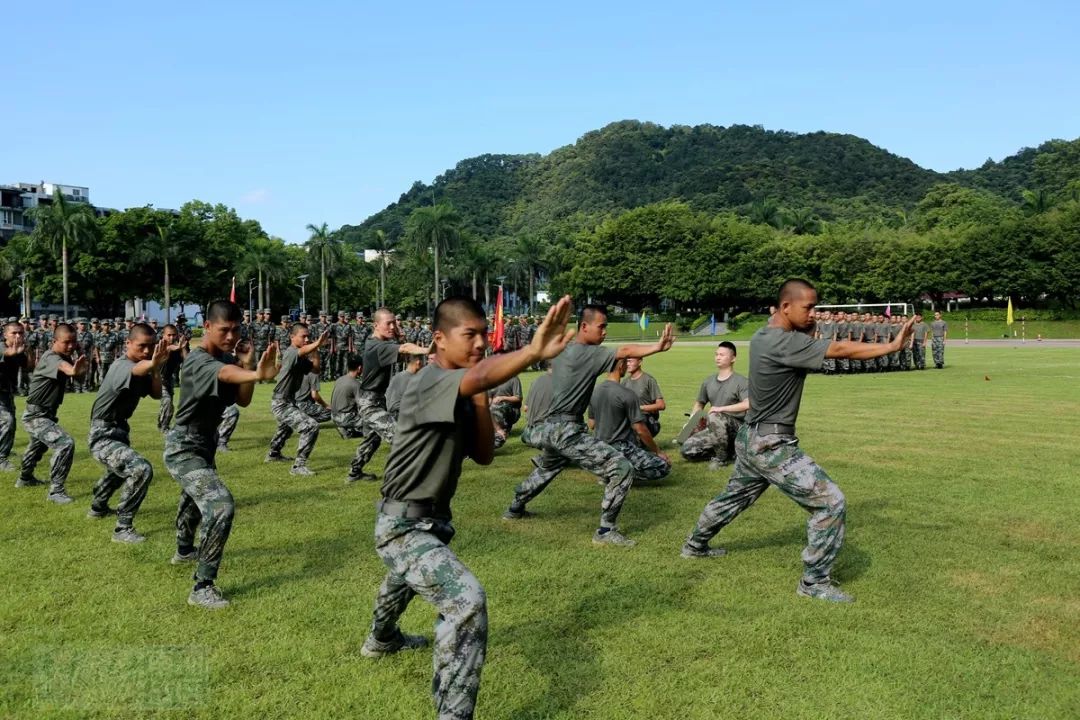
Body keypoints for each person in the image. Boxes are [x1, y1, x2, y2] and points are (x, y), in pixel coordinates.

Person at [359, 295, 574, 720]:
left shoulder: (461, 385)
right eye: (469, 334)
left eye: (483, 334)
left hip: (433, 520)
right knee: (465, 600)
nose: (480, 343)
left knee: (402, 580)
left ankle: (381, 640)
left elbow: (483, 453)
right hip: (403, 524)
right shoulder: (425, 381)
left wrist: (479, 389)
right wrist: (530, 351)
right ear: (438, 339)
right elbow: (475, 378)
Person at [681, 279, 914, 604]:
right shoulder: (785, 343)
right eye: (808, 308)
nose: (813, 313)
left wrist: (806, 322)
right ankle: (813, 583)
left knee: (733, 497)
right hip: (771, 444)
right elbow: (840, 349)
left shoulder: (764, 335)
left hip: (750, 436)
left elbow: (805, 333)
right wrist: (891, 346)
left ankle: (694, 545)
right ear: (786, 308)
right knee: (830, 503)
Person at [503, 305, 675, 546]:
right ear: (584, 327)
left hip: (547, 428)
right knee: (621, 468)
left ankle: (514, 508)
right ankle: (605, 532)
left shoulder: (565, 350)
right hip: (566, 430)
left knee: (546, 469)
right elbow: (624, 351)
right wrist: (657, 346)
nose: (605, 332)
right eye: (601, 326)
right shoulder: (589, 353)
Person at [165, 300, 277, 609]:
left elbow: (241, 401)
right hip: (184, 447)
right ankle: (202, 586)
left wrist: (248, 364)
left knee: (193, 501)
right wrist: (254, 374)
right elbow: (225, 374)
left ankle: (184, 550)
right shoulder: (198, 361)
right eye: (224, 330)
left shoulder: (228, 358)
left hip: (205, 444)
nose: (230, 336)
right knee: (220, 506)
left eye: (236, 330)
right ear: (208, 328)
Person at [87, 323, 170, 543]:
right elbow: (136, 370)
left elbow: (156, 393)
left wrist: (156, 368)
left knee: (117, 471)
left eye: (151, 346)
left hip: (119, 430)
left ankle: (98, 507)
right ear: (128, 343)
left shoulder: (144, 365)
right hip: (102, 433)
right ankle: (122, 529)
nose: (147, 351)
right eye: (142, 346)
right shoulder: (122, 365)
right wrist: (152, 363)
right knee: (140, 469)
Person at [350, 308, 428, 481]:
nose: (393, 326)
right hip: (369, 403)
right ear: (376, 325)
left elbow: (404, 352)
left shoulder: (381, 344)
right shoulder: (378, 346)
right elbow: (407, 348)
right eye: (389, 323)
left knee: (372, 440)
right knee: (400, 436)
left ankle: (354, 473)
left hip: (377, 400)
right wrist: (428, 350)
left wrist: (400, 338)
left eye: (394, 323)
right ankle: (405, 478)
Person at [18, 323, 88, 503]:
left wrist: (80, 357)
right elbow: (68, 370)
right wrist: (74, 369)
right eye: (67, 342)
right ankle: (56, 491)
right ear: (54, 341)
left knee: (37, 447)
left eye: (74, 342)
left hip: (46, 414)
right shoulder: (51, 357)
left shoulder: (66, 356)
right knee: (65, 444)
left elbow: (78, 376)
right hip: (36, 415)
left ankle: (25, 478)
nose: (71, 346)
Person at [589, 358, 671, 482]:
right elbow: (640, 429)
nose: (627, 365)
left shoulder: (595, 391)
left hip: (600, 447)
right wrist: (658, 451)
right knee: (663, 466)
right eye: (625, 363)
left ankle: (608, 469)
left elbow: (591, 424)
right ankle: (620, 473)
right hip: (620, 446)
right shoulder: (626, 393)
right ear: (621, 366)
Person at [266, 322, 330, 475]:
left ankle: (273, 454)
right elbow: (302, 352)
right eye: (303, 336)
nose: (307, 339)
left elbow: (315, 369)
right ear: (292, 337)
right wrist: (317, 343)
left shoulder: (300, 357)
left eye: (308, 336)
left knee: (285, 428)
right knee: (310, 426)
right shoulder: (290, 353)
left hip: (289, 401)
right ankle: (298, 466)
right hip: (281, 403)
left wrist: (316, 351)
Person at [680, 341, 749, 468]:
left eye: (722, 355)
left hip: (738, 429)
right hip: (716, 428)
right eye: (716, 354)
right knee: (686, 449)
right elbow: (699, 403)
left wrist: (721, 408)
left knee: (715, 415)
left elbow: (748, 404)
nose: (718, 357)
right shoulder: (708, 381)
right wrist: (692, 421)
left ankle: (721, 459)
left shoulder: (741, 381)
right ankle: (730, 451)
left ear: (733, 358)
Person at [0, 321, 30, 472]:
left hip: (6, 391)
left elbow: (28, 366)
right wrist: (13, 352)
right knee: (7, 421)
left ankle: (3, 450)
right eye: (14, 333)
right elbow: (6, 353)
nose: (18, 336)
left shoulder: (20, 350)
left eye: (21, 333)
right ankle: (1, 458)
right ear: (5, 335)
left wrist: (24, 352)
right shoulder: (1, 346)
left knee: (10, 424)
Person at [621, 357, 665, 437]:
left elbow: (661, 405)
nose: (627, 364)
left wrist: (639, 408)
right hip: (629, 417)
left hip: (645, 419)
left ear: (640, 362)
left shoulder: (649, 380)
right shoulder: (625, 382)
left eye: (630, 361)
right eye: (626, 362)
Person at [157, 324, 188, 433]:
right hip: (157, 379)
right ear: (163, 335)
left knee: (169, 405)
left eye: (174, 335)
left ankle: (162, 424)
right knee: (167, 401)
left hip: (169, 379)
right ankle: (164, 427)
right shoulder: (160, 345)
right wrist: (178, 347)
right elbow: (169, 348)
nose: (171, 337)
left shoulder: (180, 346)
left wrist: (183, 348)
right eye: (168, 335)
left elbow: (187, 361)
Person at [520, 364, 554, 448]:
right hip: (541, 433)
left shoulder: (536, 381)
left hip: (527, 433)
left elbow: (525, 408)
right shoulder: (558, 383)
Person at [487, 371, 522, 449]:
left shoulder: (513, 378)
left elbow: (518, 398)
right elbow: (489, 398)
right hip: (495, 407)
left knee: (495, 408)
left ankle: (501, 431)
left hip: (511, 409)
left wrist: (502, 398)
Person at [386, 353, 426, 420]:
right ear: (418, 362)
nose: (424, 365)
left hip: (390, 418)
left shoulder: (396, 377)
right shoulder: (414, 380)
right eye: (423, 362)